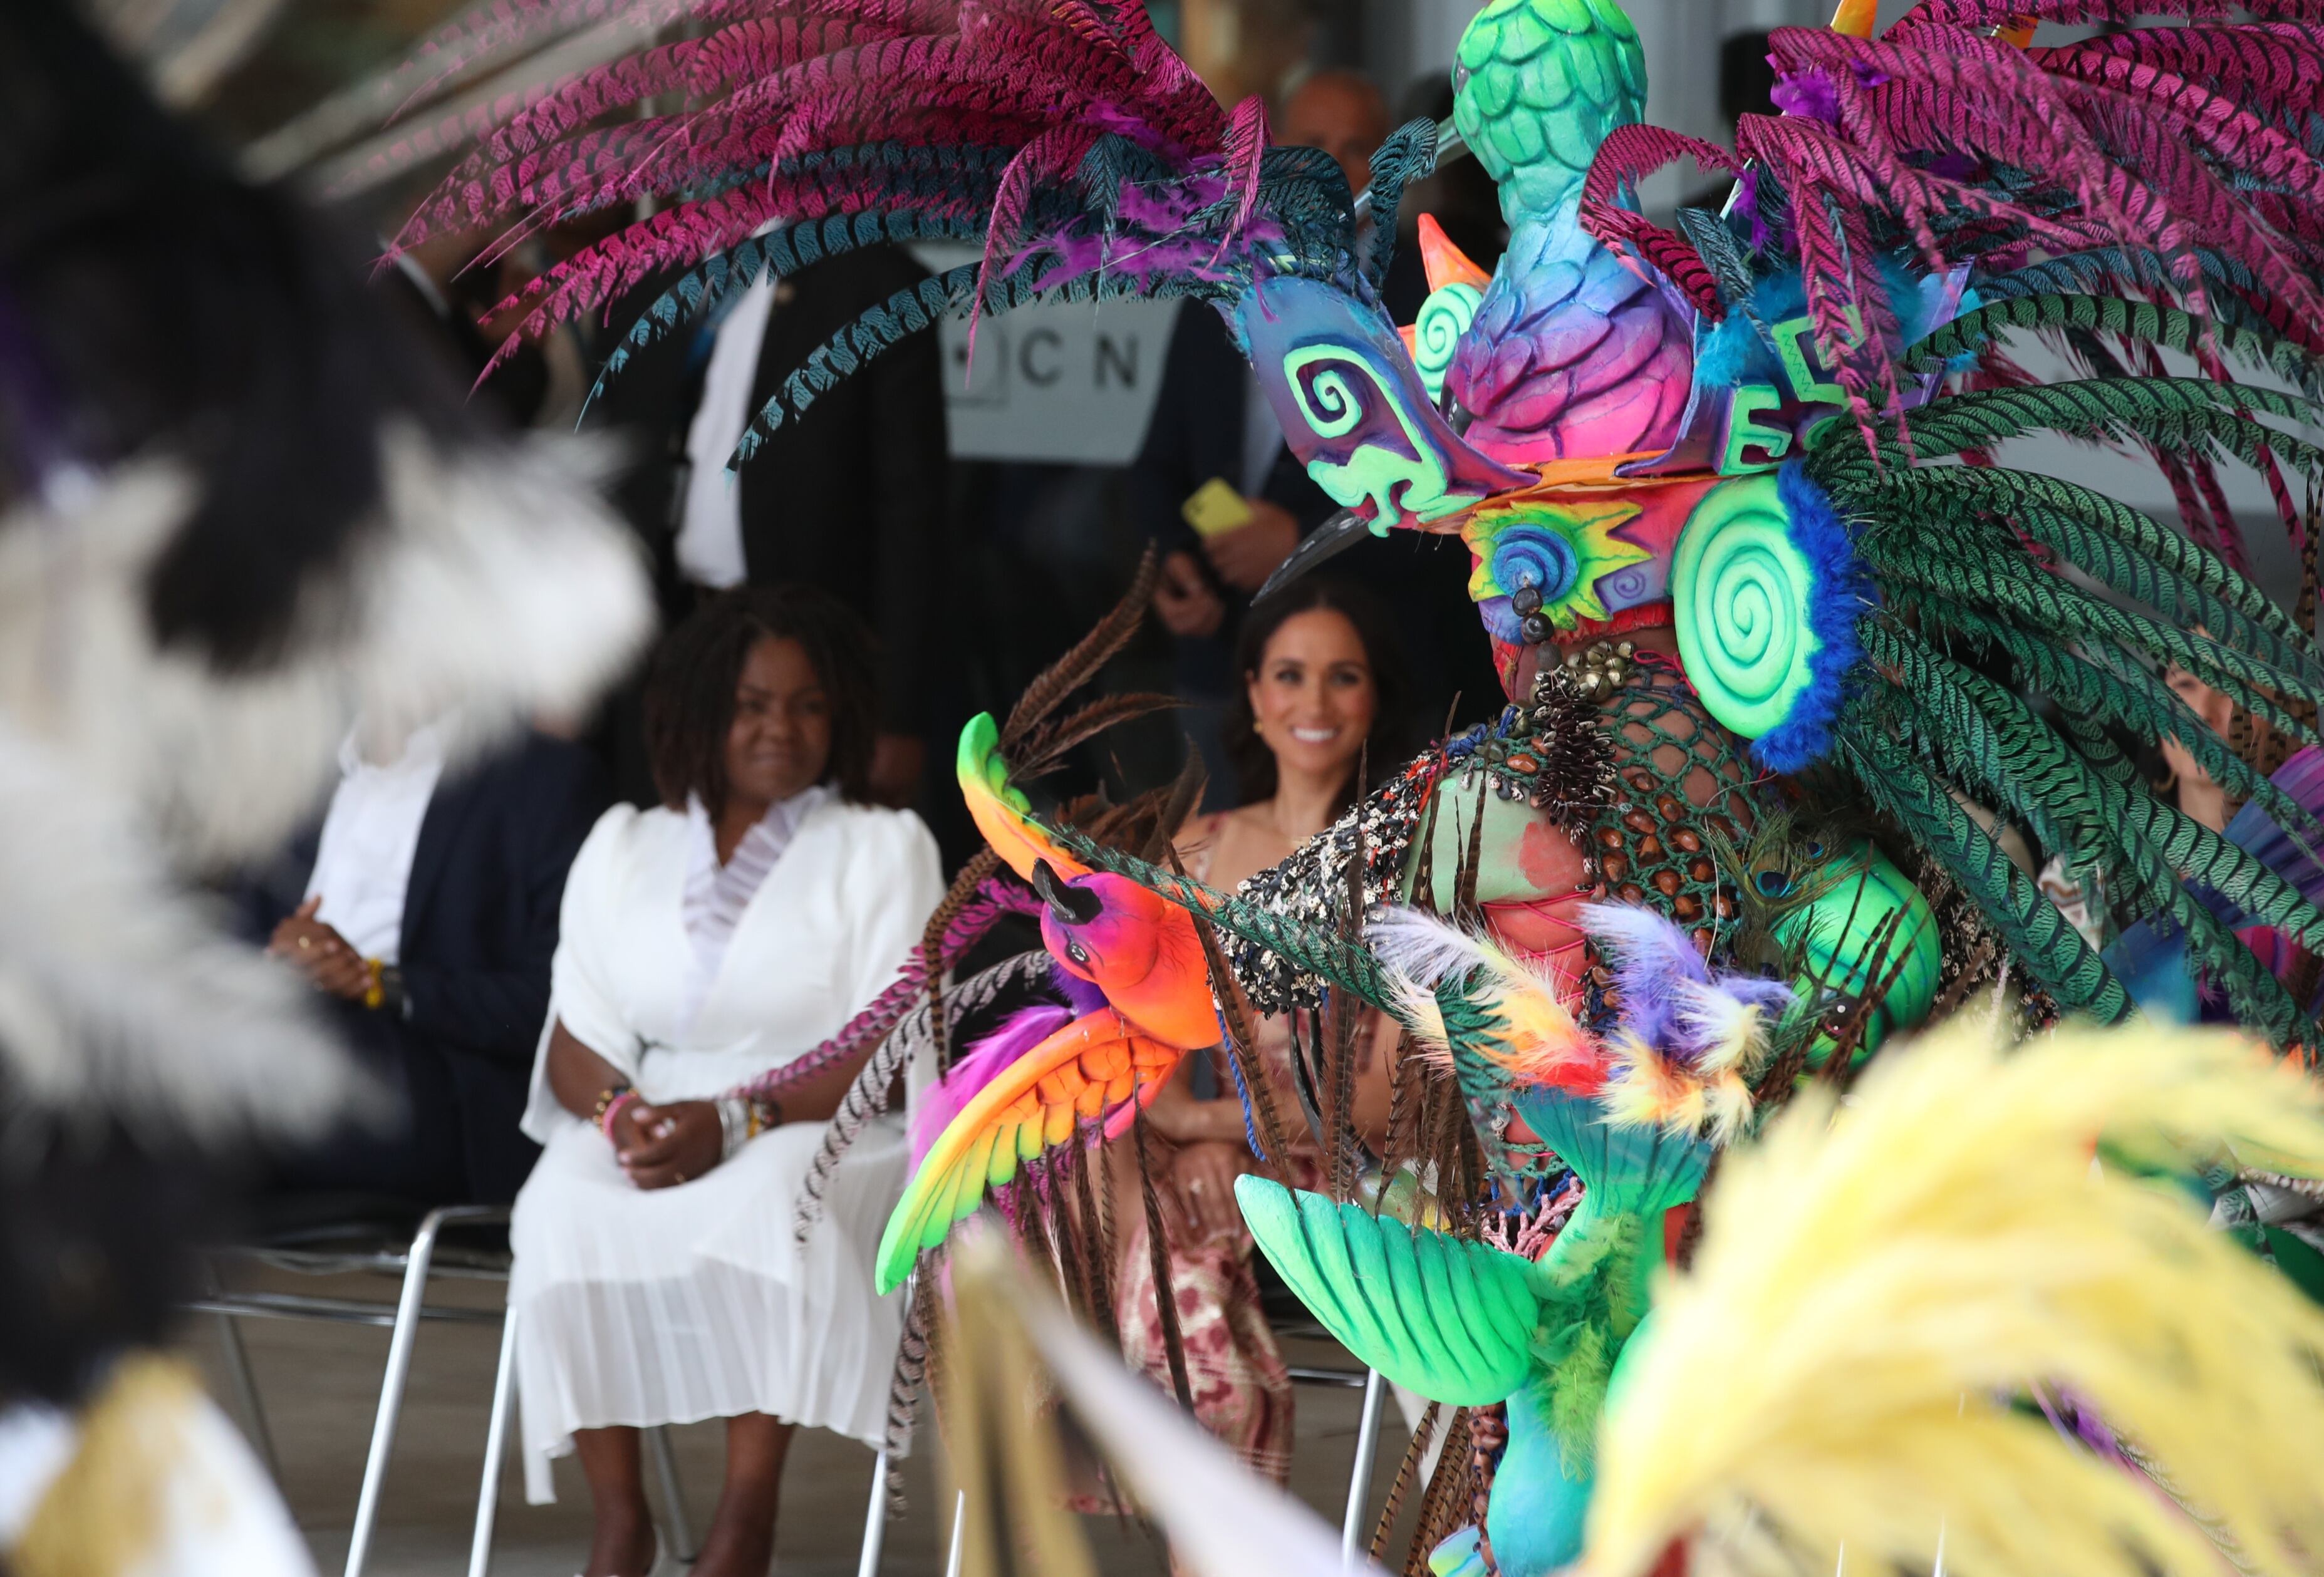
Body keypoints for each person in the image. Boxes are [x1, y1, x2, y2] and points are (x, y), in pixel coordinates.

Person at [509, 585, 943, 1577]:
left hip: (816, 1121)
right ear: (703, 711)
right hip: (652, 1105)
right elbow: (574, 1031)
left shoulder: (881, 848)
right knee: (558, 1204)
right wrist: (620, 1115)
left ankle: (745, 1519)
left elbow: (886, 1042)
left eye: (807, 705)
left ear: (841, 719)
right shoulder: (625, 841)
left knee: (771, 1202)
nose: (779, 729)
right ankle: (620, 1519)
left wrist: (736, 1117)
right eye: (752, 703)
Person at [1098, 579, 1408, 1486]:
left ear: (1374, 697)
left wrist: (1218, 1133)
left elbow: (1384, 1107)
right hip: (1181, 1162)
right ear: (1254, 693)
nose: (1314, 701)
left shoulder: (1401, 860)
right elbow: (1131, 1038)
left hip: (1331, 1169)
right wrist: (1182, 1135)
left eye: (1342, 676)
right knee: (1048, 1183)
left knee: (1186, 1279)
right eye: (1290, 674)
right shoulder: (1194, 847)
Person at [1133, 70, 1497, 804]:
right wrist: (1173, 566)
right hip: (1225, 673)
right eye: (1310, 144)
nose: (1329, 168)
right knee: (1218, 898)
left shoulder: (1433, 300)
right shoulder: (1221, 291)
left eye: (1354, 147)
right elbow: (1157, 466)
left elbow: (1469, 499)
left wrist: (1298, 537)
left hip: (1380, 684)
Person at [585, 247, 950, 811]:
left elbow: (914, 518)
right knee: (660, 857)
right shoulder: (646, 272)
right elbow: (604, 480)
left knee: (805, 872)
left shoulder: (875, 283)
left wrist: (899, 717)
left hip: (809, 665)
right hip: (665, 648)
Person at [244, 722, 611, 1206]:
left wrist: (377, 983)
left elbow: (565, 1004)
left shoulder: (541, 776)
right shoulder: (293, 772)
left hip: (441, 1086)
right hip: (282, 1043)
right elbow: (237, 937)